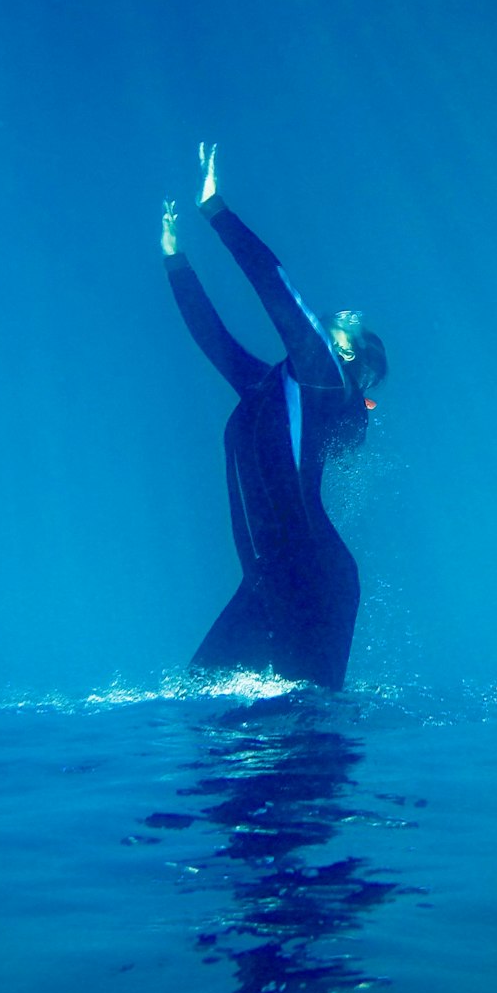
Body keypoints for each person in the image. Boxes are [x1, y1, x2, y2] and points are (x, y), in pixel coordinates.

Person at [161, 144, 387, 691]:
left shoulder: (323, 374)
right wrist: (175, 259)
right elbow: (212, 337)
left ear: (350, 355)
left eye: (351, 325)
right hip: (268, 581)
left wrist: (215, 209)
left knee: (301, 745)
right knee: (203, 719)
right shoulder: (270, 386)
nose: (341, 315)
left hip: (311, 578)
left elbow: (276, 287)